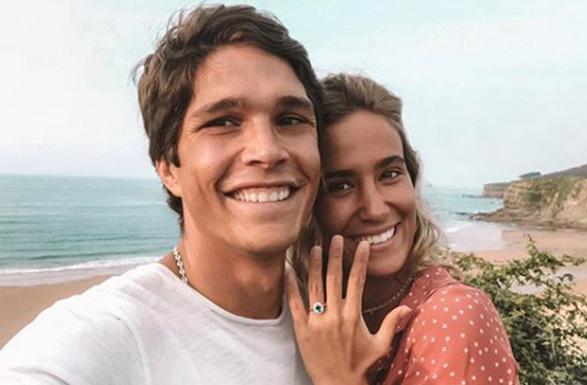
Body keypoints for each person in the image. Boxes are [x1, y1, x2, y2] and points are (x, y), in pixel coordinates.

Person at [0, 5, 324, 384]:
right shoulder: (110, 334)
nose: (267, 150)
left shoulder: (332, 321)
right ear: (168, 168)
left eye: (290, 119)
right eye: (223, 122)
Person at [286, 74, 519, 385]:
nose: (376, 208)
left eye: (390, 174)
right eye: (340, 186)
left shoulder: (452, 315)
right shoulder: (293, 316)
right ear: (306, 204)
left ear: (412, 177)